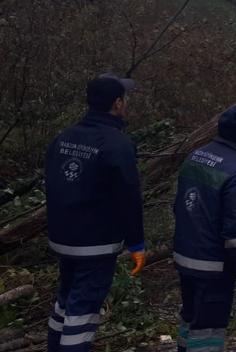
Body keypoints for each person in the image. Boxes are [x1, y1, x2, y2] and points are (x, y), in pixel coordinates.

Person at [45, 73, 146, 352]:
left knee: (64, 304)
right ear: (117, 103)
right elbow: (129, 198)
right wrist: (136, 243)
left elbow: (52, 184)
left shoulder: (64, 137)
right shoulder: (117, 144)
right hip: (95, 245)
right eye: (124, 99)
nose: (125, 103)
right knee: (83, 311)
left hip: (62, 239)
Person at [172, 105, 236, 352]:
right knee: (208, 330)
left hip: (185, 256)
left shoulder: (195, 156)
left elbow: (179, 206)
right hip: (213, 266)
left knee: (190, 319)